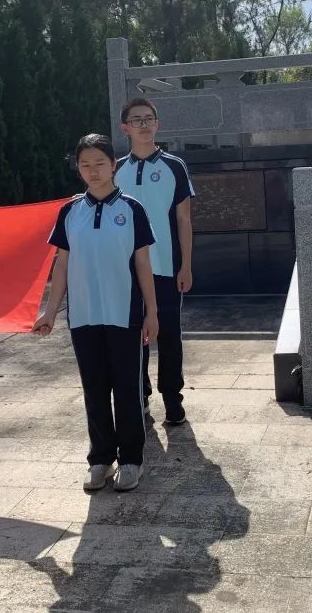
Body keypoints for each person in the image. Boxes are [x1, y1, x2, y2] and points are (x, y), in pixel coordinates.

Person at [33, 133, 159, 492]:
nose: (93, 170)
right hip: (84, 316)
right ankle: (100, 459)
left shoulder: (132, 209)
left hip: (125, 315)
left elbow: (143, 264)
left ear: (114, 165)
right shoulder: (70, 212)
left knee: (127, 389)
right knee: (94, 389)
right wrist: (50, 311)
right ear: (78, 169)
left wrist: (152, 312)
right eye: (85, 164)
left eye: (100, 163)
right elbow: (62, 265)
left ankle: (131, 460)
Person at [115, 97, 194, 425]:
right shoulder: (115, 169)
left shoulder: (174, 166)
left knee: (169, 335)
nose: (144, 124)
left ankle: (172, 399)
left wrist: (186, 265)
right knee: (135, 336)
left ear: (157, 124)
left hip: (165, 267)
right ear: (125, 128)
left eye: (149, 118)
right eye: (137, 119)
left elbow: (184, 219)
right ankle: (141, 397)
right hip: (127, 271)